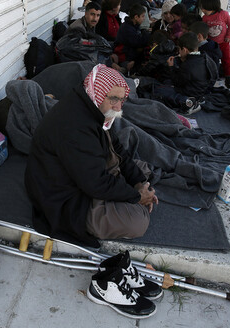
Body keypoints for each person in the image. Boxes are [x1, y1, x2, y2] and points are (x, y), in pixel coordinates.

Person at [25, 64, 158, 247]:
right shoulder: (75, 126)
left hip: (84, 174)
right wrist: (136, 196)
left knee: (140, 172)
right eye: (113, 99)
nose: (118, 107)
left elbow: (117, 148)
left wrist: (139, 183)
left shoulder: (91, 104)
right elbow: (95, 183)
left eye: (122, 100)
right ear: (98, 92)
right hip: (66, 199)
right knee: (138, 222)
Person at [157, 32, 218, 113]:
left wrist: (171, 67)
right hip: (203, 91)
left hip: (190, 93)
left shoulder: (187, 65)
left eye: (179, 49)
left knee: (159, 90)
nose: (178, 52)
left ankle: (188, 102)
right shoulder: (206, 57)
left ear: (185, 50)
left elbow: (177, 82)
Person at [199, 0, 230, 85]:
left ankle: (229, 76)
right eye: (202, 8)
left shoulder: (223, 14)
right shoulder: (205, 18)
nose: (202, 10)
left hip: (223, 43)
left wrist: (229, 36)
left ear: (212, 7)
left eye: (205, 8)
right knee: (213, 61)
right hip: (212, 45)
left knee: (226, 59)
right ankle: (214, 75)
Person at [113, 3, 151, 72]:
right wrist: (145, 32)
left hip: (129, 56)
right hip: (124, 58)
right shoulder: (127, 28)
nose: (144, 18)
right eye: (142, 16)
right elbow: (139, 42)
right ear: (136, 17)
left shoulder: (133, 26)